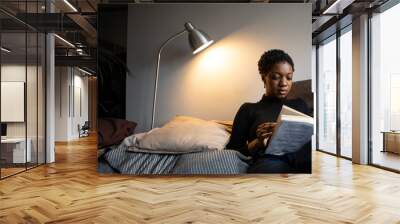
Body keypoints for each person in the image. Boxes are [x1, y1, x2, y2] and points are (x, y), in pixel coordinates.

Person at [226, 49, 311, 173]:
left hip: (304, 159)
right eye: (276, 77)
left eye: (289, 77)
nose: (284, 83)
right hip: (272, 161)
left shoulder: (299, 105)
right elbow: (232, 152)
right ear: (263, 78)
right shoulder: (249, 109)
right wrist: (258, 142)